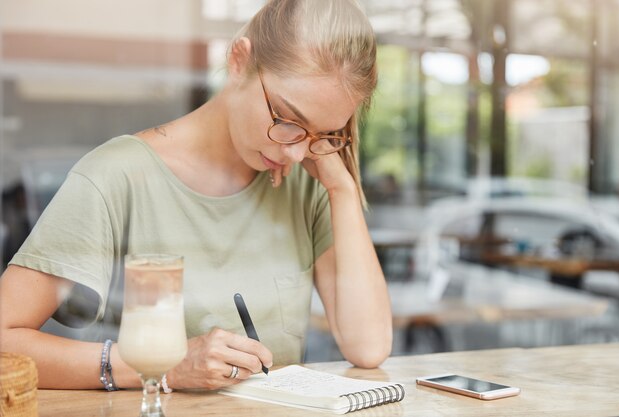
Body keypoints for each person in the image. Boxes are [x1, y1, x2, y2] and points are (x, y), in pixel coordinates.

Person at [0, 0, 392, 391]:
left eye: (322, 135)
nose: (295, 152)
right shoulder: (117, 176)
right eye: (288, 121)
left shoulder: (311, 181)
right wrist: (162, 367)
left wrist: (341, 189)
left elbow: (369, 347)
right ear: (239, 61)